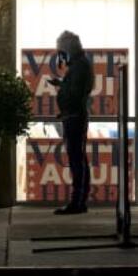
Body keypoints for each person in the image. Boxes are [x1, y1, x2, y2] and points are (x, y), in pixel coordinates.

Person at [52, 30, 94, 215]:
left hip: (74, 117)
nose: (59, 54)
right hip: (74, 116)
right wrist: (62, 84)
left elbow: (76, 94)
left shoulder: (79, 66)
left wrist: (64, 91)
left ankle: (77, 202)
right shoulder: (80, 64)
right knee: (79, 159)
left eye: (60, 50)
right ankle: (79, 201)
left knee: (76, 160)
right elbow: (76, 89)